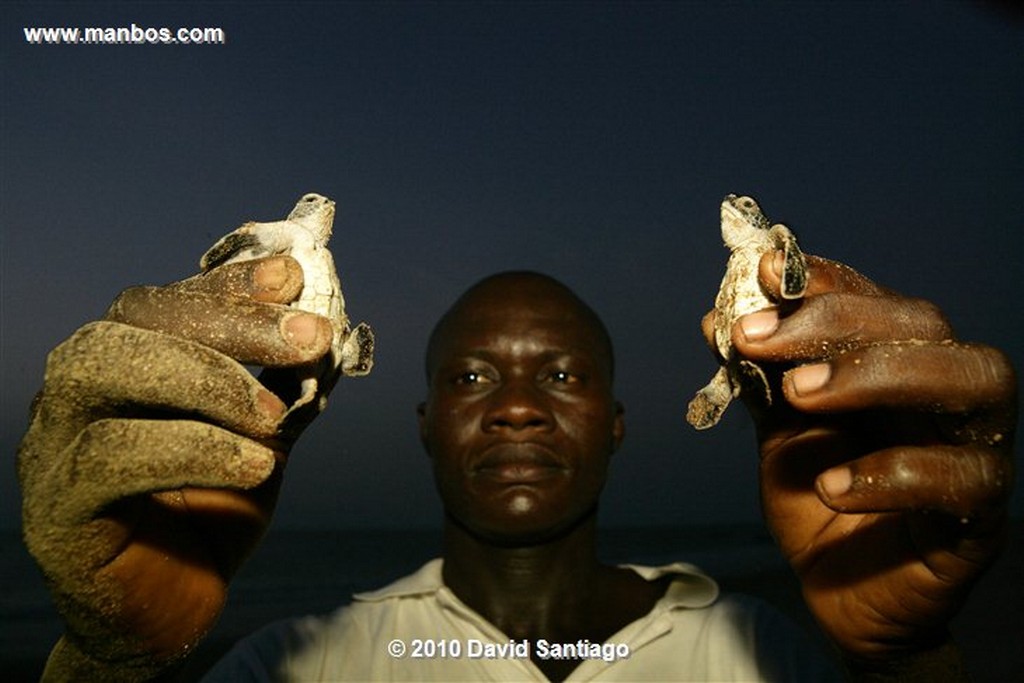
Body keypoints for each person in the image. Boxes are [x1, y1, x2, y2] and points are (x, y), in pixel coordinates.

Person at [17, 248, 1015, 681]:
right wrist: (114, 660)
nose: (521, 404)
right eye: (474, 375)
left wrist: (902, 660)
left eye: (565, 373)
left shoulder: (759, 653)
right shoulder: (297, 662)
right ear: (424, 423)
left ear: (618, 424)